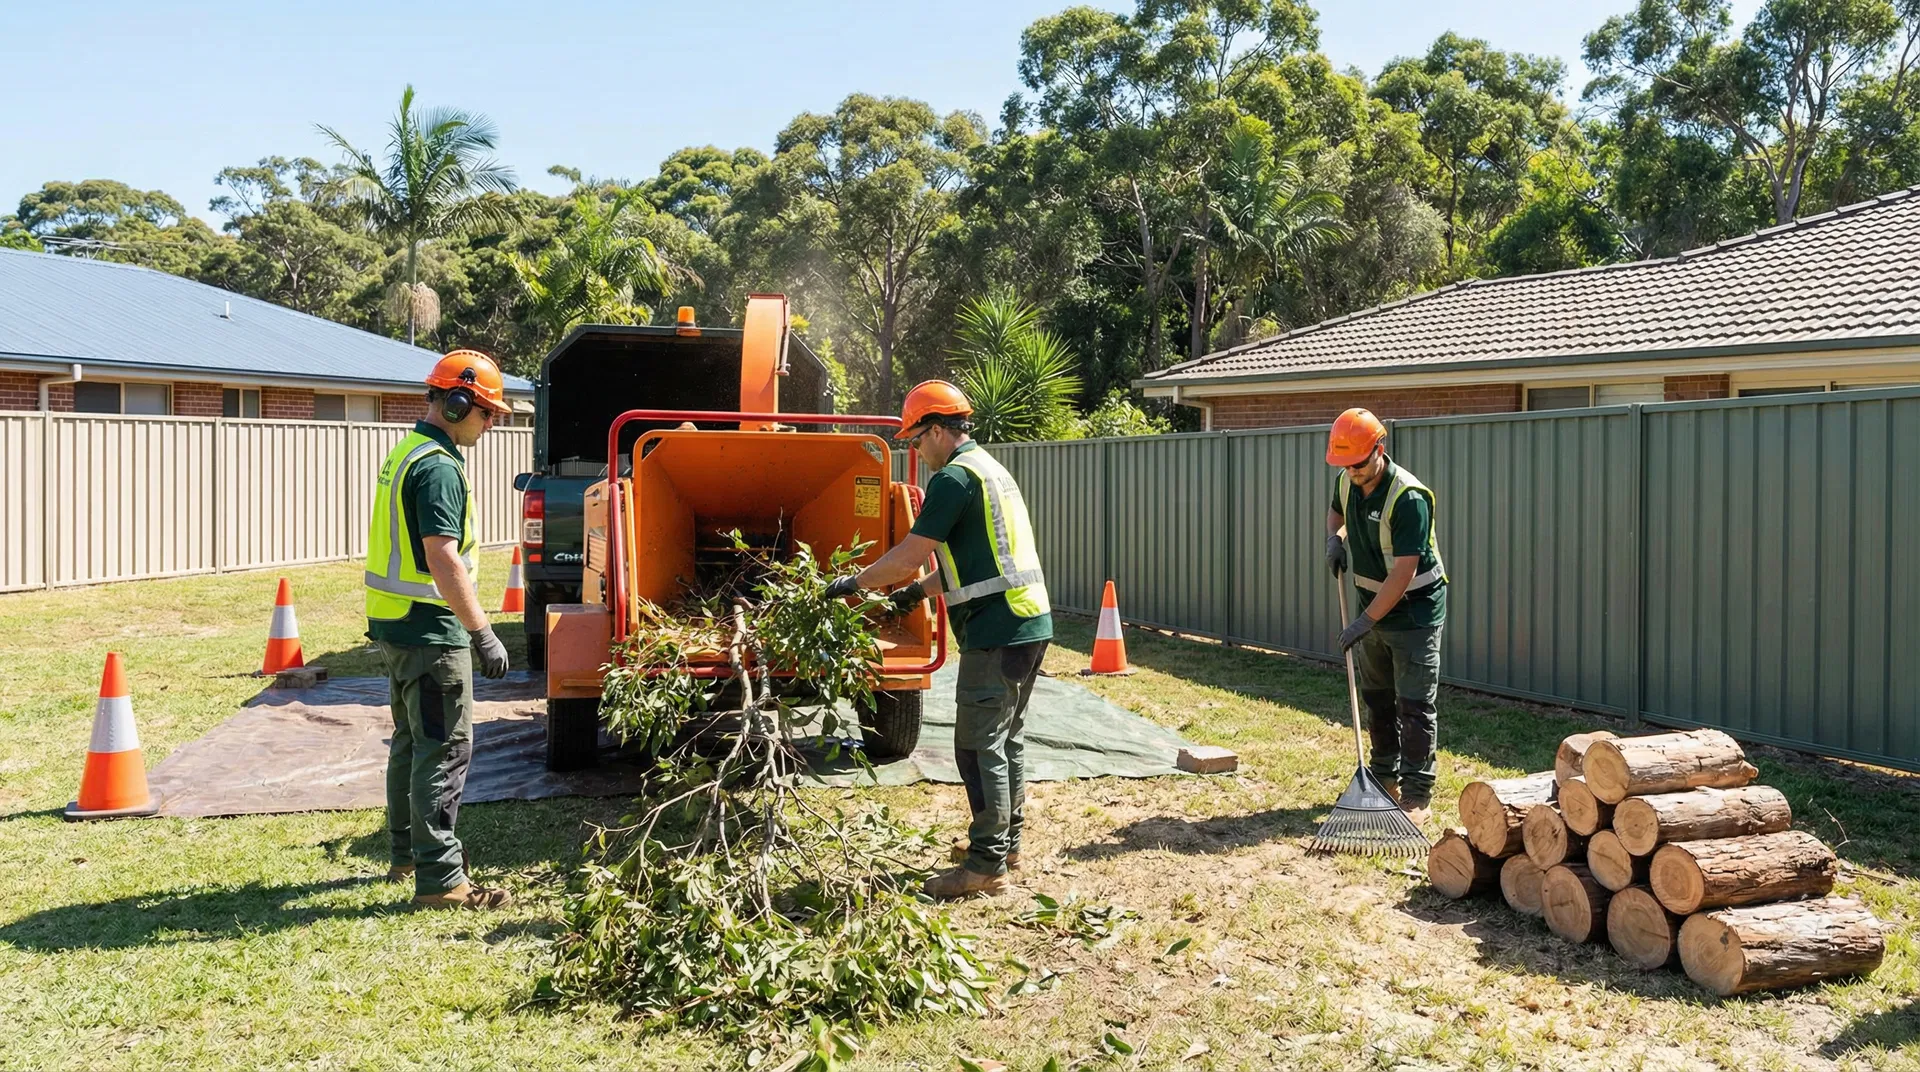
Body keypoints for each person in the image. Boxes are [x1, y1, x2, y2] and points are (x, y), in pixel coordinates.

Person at [825, 380, 1051, 899]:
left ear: (936, 430)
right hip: (1028, 623)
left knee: (977, 745)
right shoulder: (989, 470)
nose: (914, 449)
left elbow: (909, 552)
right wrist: (913, 597)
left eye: (915, 438)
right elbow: (970, 562)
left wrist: (849, 584)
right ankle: (1006, 844)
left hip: (997, 628)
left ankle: (985, 865)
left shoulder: (953, 479)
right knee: (1006, 738)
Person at [364, 350, 516, 909]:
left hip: (398, 625)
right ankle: (442, 879)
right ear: (457, 402)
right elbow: (443, 559)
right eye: (487, 413)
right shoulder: (438, 467)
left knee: (412, 742)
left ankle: (406, 854)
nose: (492, 422)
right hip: (431, 630)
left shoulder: (407, 453)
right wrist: (481, 631)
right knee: (445, 748)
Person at [1324, 407, 1446, 826]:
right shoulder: (1347, 478)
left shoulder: (1407, 498)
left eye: (1359, 463)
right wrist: (1335, 539)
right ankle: (1381, 781)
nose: (1353, 472)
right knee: (1377, 700)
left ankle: (1416, 795)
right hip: (1371, 606)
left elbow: (1404, 571)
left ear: (1380, 448)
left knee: (1413, 705)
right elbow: (1337, 511)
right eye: (1346, 465)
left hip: (1413, 611)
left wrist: (1365, 622)